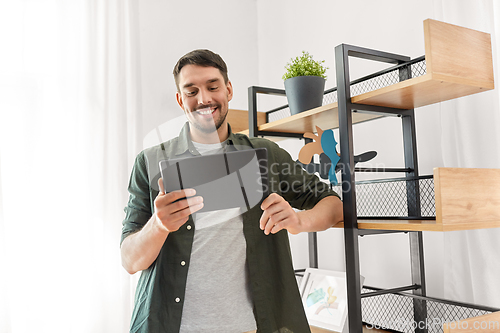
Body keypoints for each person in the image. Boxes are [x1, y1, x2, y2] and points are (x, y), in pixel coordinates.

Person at [120, 49, 343, 333]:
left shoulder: (267, 155)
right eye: (191, 91)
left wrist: (299, 221)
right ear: (180, 100)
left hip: (254, 326)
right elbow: (129, 260)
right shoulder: (149, 162)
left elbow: (332, 203)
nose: (204, 99)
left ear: (228, 90)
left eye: (213, 87)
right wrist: (159, 225)